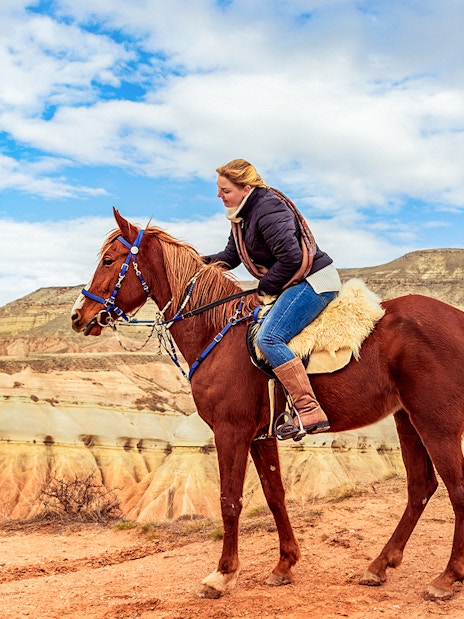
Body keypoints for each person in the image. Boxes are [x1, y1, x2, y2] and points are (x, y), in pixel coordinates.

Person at [203, 159, 341, 440]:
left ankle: (308, 409)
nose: (219, 195)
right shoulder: (241, 216)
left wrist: (263, 289)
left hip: (313, 282)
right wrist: (193, 262)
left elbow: (291, 258)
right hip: (291, 283)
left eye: (224, 190)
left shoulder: (268, 208)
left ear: (246, 188)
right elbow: (230, 258)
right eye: (218, 189)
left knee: (269, 338)